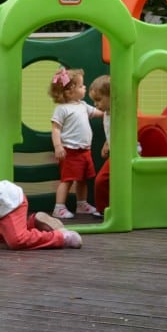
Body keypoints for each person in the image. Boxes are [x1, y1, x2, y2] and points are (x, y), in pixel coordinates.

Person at [49, 67, 104, 219]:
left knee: (83, 180)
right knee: (67, 180)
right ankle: (58, 207)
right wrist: (58, 146)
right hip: (70, 150)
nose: (84, 87)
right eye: (81, 86)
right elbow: (55, 129)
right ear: (69, 92)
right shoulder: (62, 109)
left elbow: (99, 113)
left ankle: (82, 204)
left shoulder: (83, 105)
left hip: (84, 150)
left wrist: (109, 109)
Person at [89, 74, 112, 216]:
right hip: (115, 151)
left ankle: (103, 209)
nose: (96, 104)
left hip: (125, 153)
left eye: (98, 100)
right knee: (104, 180)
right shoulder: (106, 113)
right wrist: (106, 144)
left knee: (101, 180)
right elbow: (112, 132)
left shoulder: (117, 112)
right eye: (94, 101)